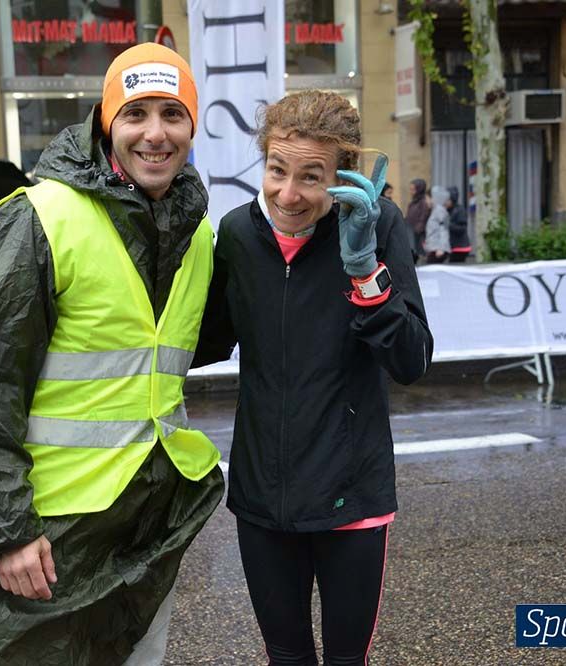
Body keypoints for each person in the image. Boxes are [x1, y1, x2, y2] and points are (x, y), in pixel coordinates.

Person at [0, 42, 224, 666]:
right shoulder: (40, 219)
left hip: (149, 522)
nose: (155, 134)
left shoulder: (195, 232)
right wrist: (5, 533)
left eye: (172, 114)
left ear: (192, 126)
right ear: (106, 121)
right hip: (50, 535)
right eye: (136, 114)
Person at [194, 90, 433, 666]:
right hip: (262, 495)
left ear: (342, 175)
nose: (289, 193)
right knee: (287, 655)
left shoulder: (379, 226)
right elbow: (201, 341)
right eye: (277, 170)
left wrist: (364, 272)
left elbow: (411, 361)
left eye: (312, 176)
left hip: (352, 497)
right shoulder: (237, 234)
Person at [424, 185, 452, 263]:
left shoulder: (440, 212)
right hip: (434, 249)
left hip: (438, 251)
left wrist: (441, 249)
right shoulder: (435, 211)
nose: (426, 201)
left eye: (427, 198)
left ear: (434, 198)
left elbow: (443, 230)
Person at [405, 178, 430, 261]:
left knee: (419, 256)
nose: (411, 192)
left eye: (413, 189)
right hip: (411, 234)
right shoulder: (413, 203)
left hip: (419, 236)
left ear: (419, 190)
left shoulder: (423, 203)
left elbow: (423, 219)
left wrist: (416, 231)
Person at [446, 185, 471, 263]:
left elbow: (462, 228)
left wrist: (448, 226)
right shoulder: (447, 210)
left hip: (460, 247)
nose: (445, 202)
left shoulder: (460, 210)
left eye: (447, 200)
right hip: (453, 246)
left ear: (453, 199)